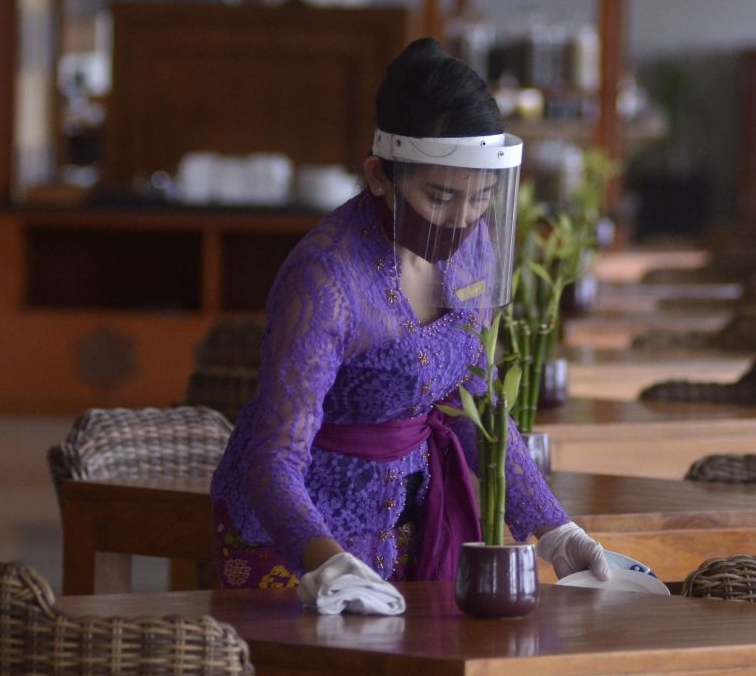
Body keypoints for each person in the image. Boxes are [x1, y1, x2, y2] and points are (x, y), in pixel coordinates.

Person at [210, 38, 609, 612]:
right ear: (378, 176)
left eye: (481, 200)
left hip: (406, 520)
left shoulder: (475, 251)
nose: (463, 221)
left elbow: (474, 401)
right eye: (441, 197)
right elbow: (274, 456)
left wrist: (553, 528)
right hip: (292, 537)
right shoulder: (326, 278)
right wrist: (319, 558)